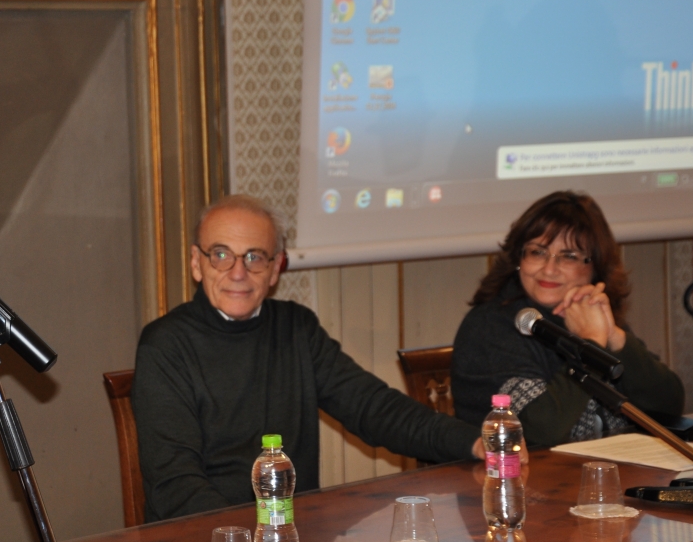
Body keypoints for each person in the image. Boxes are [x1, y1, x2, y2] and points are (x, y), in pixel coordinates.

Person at [132, 194, 488, 522]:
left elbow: (372, 407)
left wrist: (472, 441)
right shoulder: (165, 344)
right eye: (221, 254)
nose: (238, 272)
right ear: (197, 263)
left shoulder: (295, 328)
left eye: (255, 256)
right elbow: (176, 485)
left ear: (275, 269)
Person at [451, 190, 684, 447]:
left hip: (602, 472)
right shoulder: (490, 326)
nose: (549, 269)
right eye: (537, 252)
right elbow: (538, 432)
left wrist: (615, 337)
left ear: (595, 267)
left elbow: (669, 408)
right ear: (519, 258)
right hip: (511, 479)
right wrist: (591, 344)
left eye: (569, 256)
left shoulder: (585, 314)